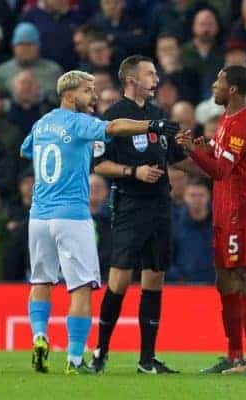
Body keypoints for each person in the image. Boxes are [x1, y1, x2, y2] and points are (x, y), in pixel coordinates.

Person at [21, 69, 179, 375]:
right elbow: (116, 126)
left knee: (41, 281)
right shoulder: (79, 122)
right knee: (81, 288)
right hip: (71, 215)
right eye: (87, 91)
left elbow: (26, 149)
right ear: (69, 95)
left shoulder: (42, 124)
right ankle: (75, 359)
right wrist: (152, 124)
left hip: (39, 215)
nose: (94, 97)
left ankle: (39, 336)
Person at [89, 55, 194, 375]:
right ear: (132, 80)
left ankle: (147, 359)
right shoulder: (114, 116)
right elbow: (99, 164)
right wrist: (133, 171)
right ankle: (101, 352)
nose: (156, 78)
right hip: (130, 206)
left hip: (161, 205)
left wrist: (194, 152)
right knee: (119, 279)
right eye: (150, 74)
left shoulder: (157, 115)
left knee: (155, 278)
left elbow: (175, 159)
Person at [176, 65, 246, 374]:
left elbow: (220, 171)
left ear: (232, 89)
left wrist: (194, 151)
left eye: (218, 81)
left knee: (244, 277)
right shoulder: (227, 120)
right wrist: (178, 157)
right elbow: (209, 164)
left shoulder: (243, 124)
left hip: (242, 212)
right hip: (224, 211)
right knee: (224, 280)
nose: (213, 85)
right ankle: (234, 353)